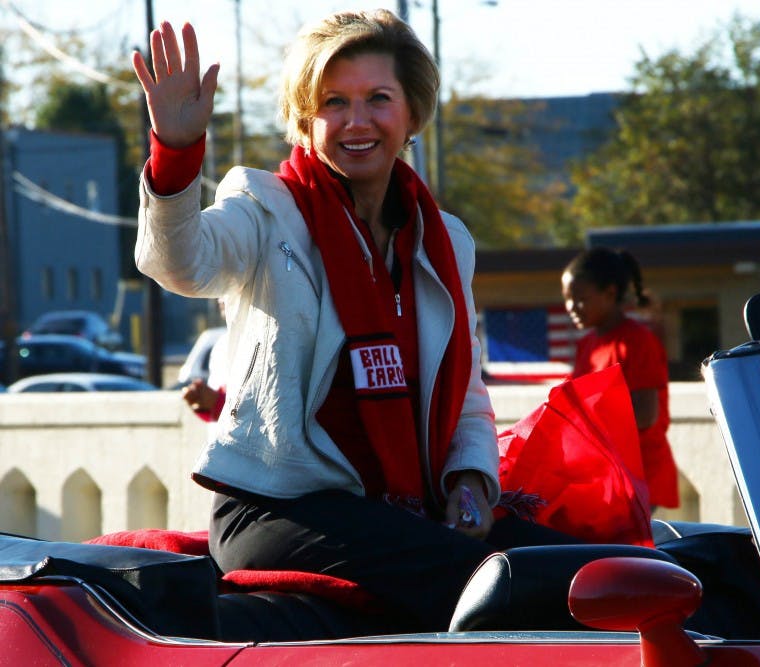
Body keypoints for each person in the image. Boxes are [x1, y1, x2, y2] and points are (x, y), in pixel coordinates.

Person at [131, 10, 574, 632]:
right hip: (278, 509)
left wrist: (470, 483)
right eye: (334, 101)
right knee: (487, 581)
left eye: (378, 99)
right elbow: (179, 262)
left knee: (584, 568)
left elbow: (466, 392)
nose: (356, 121)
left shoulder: (447, 241)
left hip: (402, 512)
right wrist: (176, 154)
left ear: (412, 114)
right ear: (304, 118)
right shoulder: (263, 209)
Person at [561, 247, 679, 510]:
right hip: (603, 473)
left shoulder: (637, 342)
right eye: (567, 299)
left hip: (638, 475)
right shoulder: (587, 345)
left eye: (580, 299)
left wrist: (589, 423)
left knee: (626, 551)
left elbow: (645, 414)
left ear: (610, 293)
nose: (571, 307)